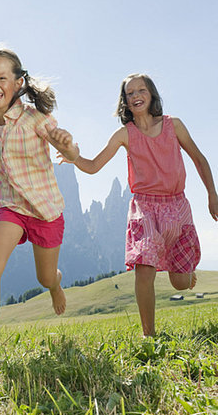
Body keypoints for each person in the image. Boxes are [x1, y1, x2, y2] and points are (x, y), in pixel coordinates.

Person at [48, 73, 218, 337]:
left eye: (141, 90)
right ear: (125, 102)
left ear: (152, 95)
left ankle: (187, 272)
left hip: (177, 206)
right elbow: (93, 166)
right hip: (145, 208)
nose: (136, 96)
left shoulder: (175, 125)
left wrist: (212, 194)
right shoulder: (124, 134)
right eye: (130, 93)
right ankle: (148, 336)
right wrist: (74, 157)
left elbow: (199, 158)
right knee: (144, 268)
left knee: (181, 283)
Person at [0, 47, 72, 364]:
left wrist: (68, 147)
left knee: (44, 277)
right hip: (10, 206)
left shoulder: (36, 119)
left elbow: (68, 148)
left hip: (45, 209)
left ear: (18, 83)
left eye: (2, 77)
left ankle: (55, 284)